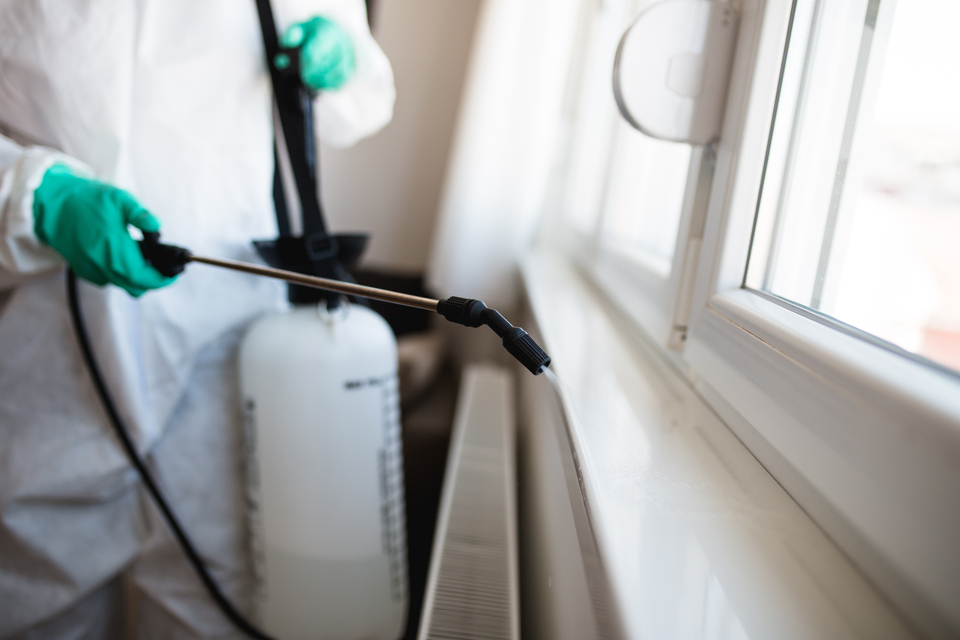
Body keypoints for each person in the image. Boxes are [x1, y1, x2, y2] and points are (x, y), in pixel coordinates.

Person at [0, 1, 394, 637]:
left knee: (219, 601)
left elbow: (360, 104)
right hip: (55, 325)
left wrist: (342, 58)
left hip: (232, 323)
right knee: (31, 597)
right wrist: (29, 194)